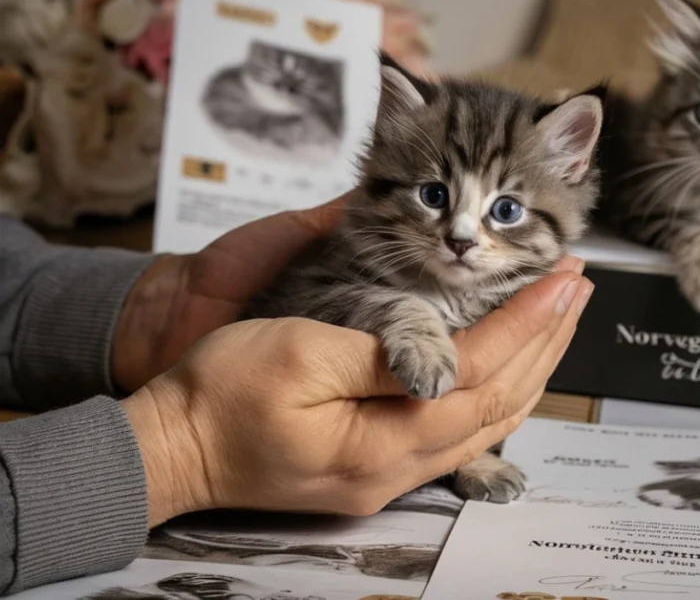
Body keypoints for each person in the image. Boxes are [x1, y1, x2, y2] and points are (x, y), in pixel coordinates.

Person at [0, 196, 593, 595]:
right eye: (435, 194)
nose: (463, 233)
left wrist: (158, 309)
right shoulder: (362, 265)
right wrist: (183, 450)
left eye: (505, 209)